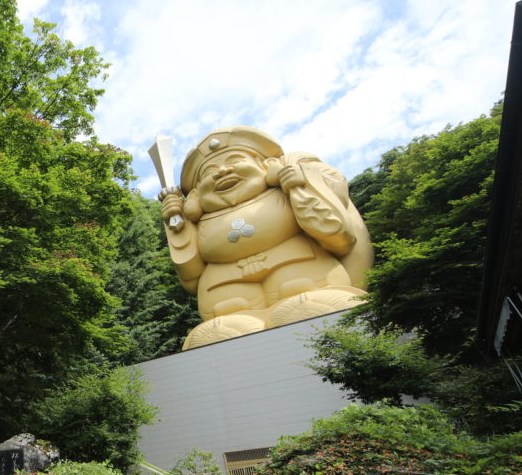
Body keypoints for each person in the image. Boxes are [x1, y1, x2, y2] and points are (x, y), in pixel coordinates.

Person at [159, 126, 373, 349]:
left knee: (309, 307)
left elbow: (335, 233)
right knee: (216, 334)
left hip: (302, 271)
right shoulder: (199, 221)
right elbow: (191, 274)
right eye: (208, 172)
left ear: (267, 166)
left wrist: (300, 184)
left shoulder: (282, 192)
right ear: (195, 194)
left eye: (234, 160)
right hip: (228, 294)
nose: (222, 172)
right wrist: (176, 223)